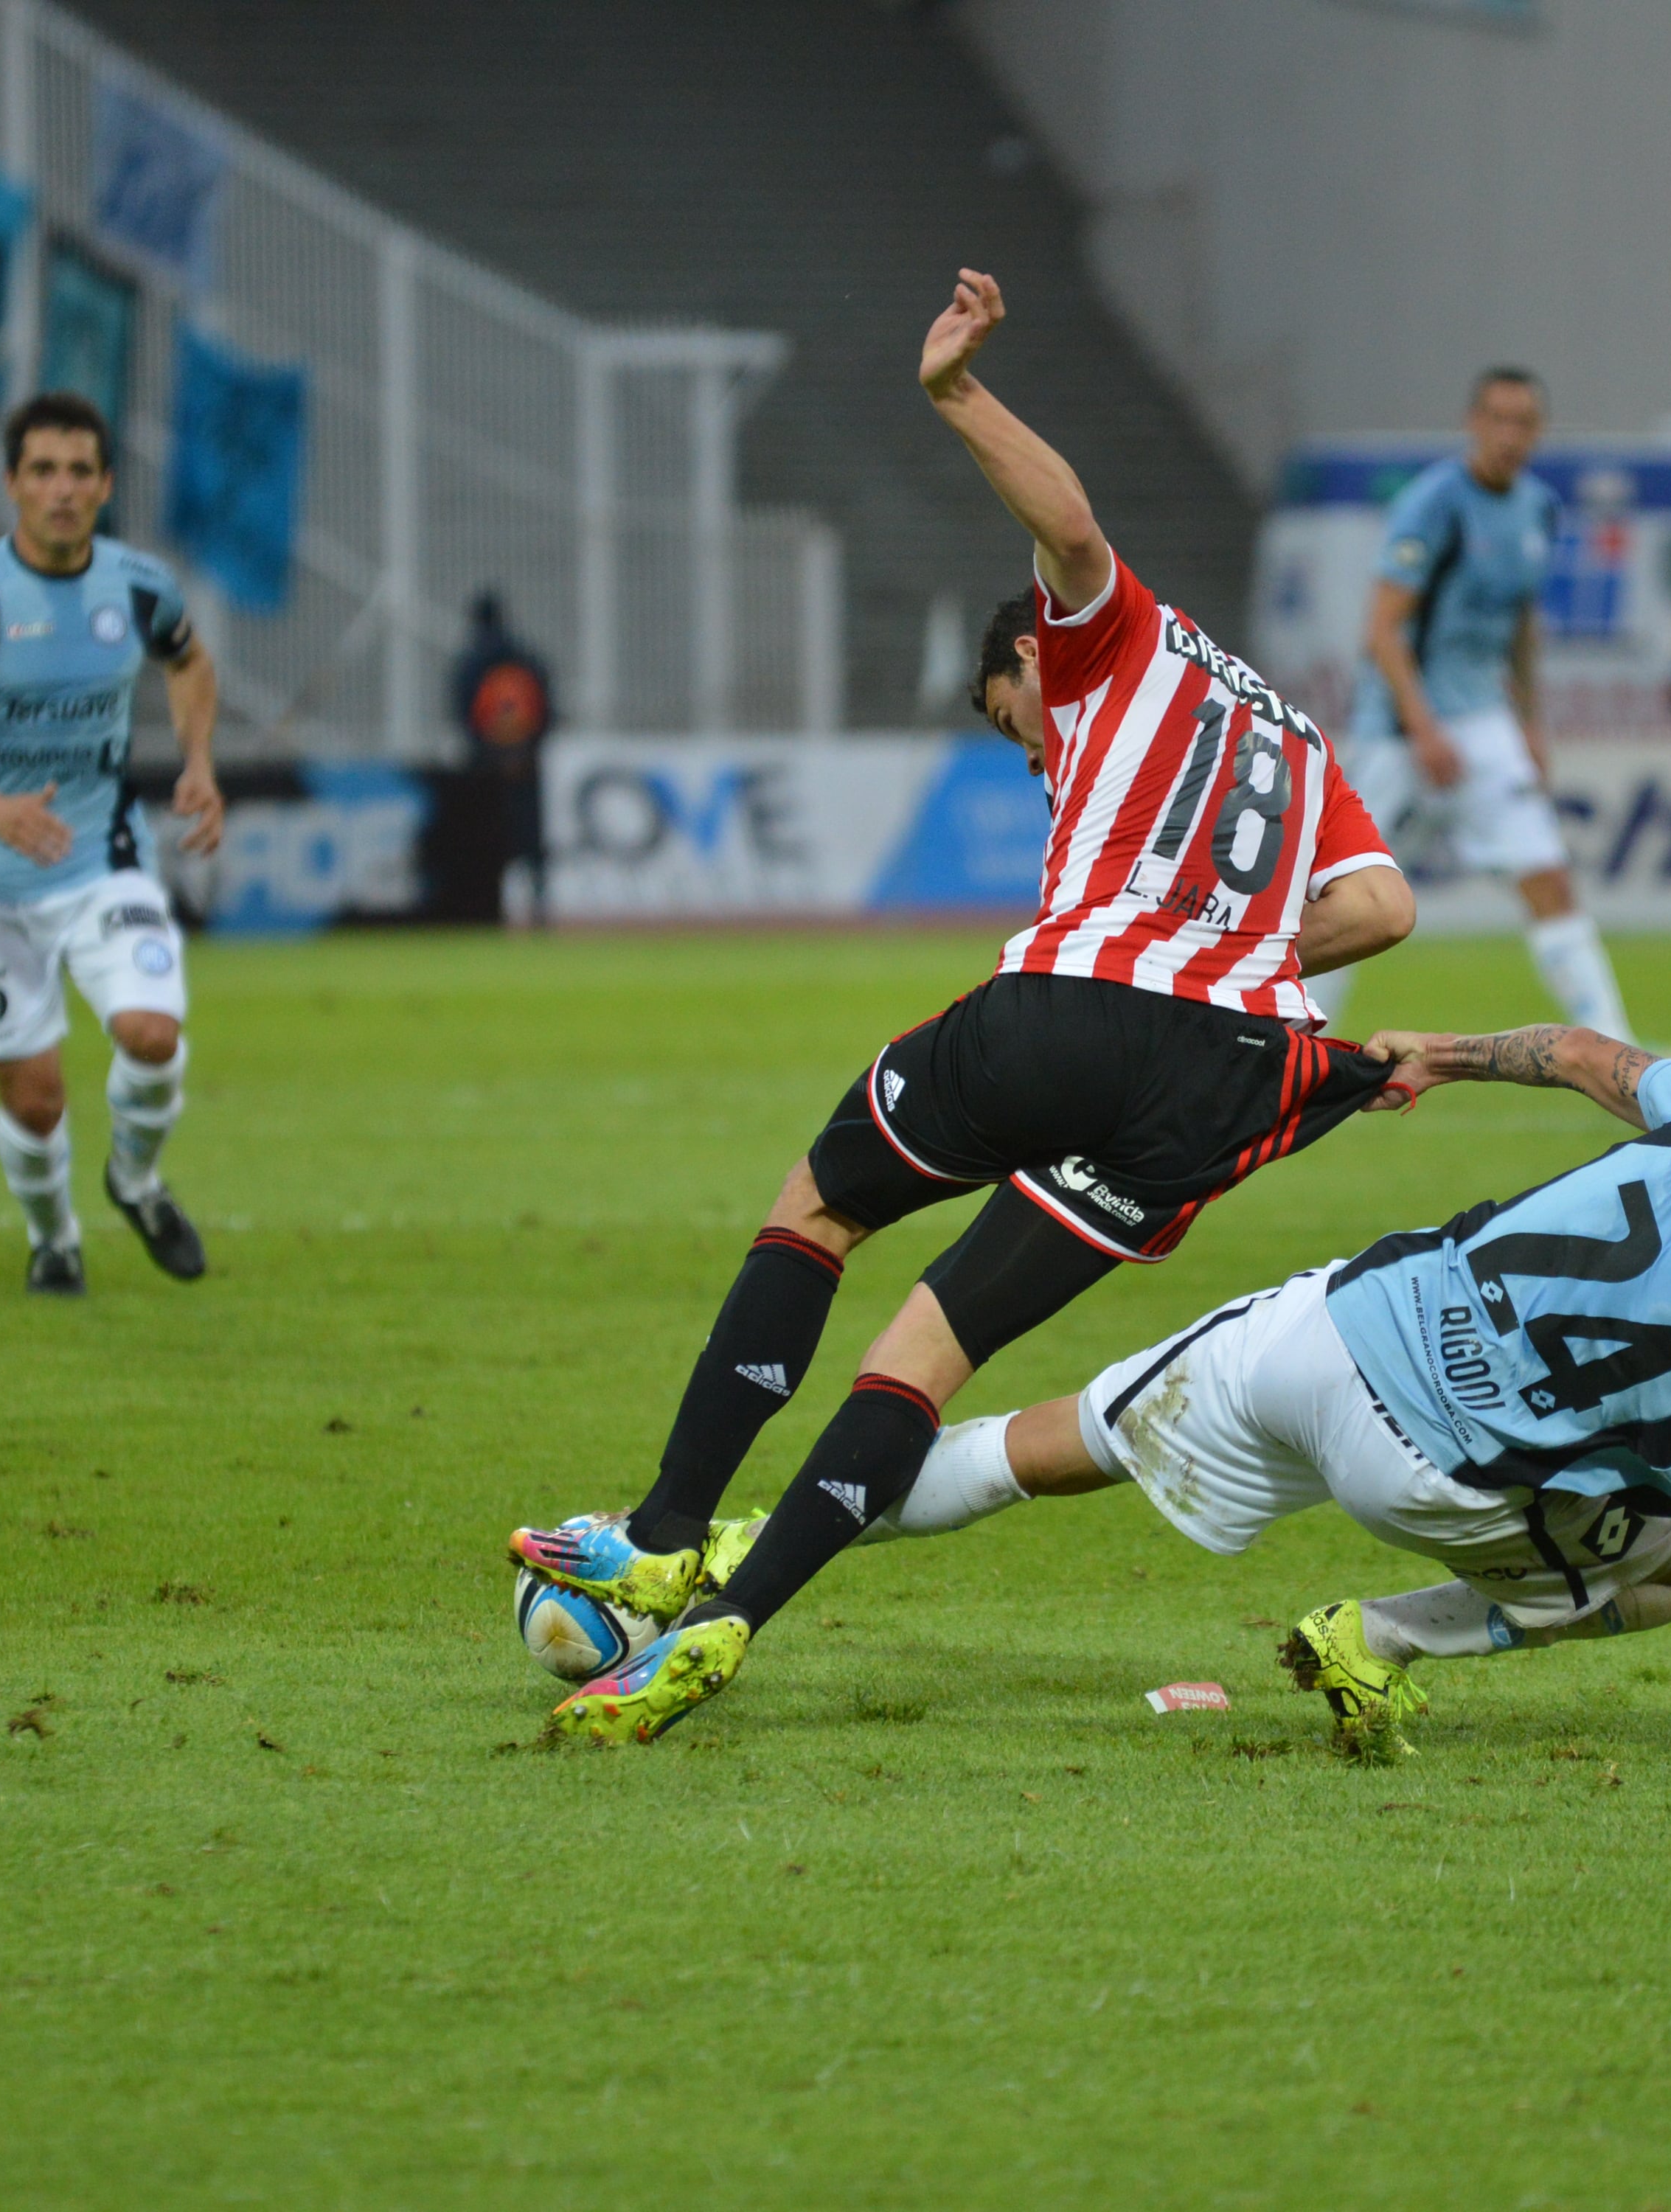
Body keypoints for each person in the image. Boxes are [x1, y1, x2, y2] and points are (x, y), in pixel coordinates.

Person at [515, 268, 1418, 1743]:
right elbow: (1384, 912)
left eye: (1022, 729)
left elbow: (1066, 526)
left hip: (1071, 1012)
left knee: (818, 1207)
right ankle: (728, 1629)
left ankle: (673, 1525)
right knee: (927, 1359)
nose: (1043, 758)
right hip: (1226, 1085)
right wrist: (1236, 945)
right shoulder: (1293, 730)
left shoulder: (1106, 637)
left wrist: (954, 392)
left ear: (1027, 658)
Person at [830, 1022, 1671, 1772]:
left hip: (1330, 1326)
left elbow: (1582, 1056)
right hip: (1427, 1471)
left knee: (1044, 1446)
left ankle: (736, 1554)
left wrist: (1447, 1056)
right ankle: (1378, 1642)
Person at [0, 392, 223, 1295]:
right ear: (12, 485)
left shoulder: (141, 587)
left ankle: (136, 1183)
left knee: (151, 1031)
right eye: (42, 472)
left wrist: (198, 761)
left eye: (78, 472)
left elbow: (188, 661)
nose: (61, 491)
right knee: (35, 1099)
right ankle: (54, 1238)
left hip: (104, 857)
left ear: (106, 486)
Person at [1304, 369, 1634, 1046]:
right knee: (1342, 896)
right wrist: (1423, 728)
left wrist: (1531, 725)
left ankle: (1620, 1049)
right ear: (1473, 423)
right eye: (1498, 419)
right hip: (1401, 729)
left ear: (1538, 432)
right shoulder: (1434, 505)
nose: (1510, 435)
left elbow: (1521, 626)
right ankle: (1291, 1043)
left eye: (1524, 423)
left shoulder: (1539, 509)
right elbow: (1382, 629)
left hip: (1484, 722)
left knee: (1548, 878)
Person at [449, 590, 555, 928]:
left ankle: (487, 911)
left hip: (485, 770)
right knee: (531, 840)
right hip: (527, 766)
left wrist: (492, 756)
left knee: (486, 844)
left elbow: (464, 717)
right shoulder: (529, 660)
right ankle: (539, 909)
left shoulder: (470, 664)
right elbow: (546, 712)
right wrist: (523, 752)